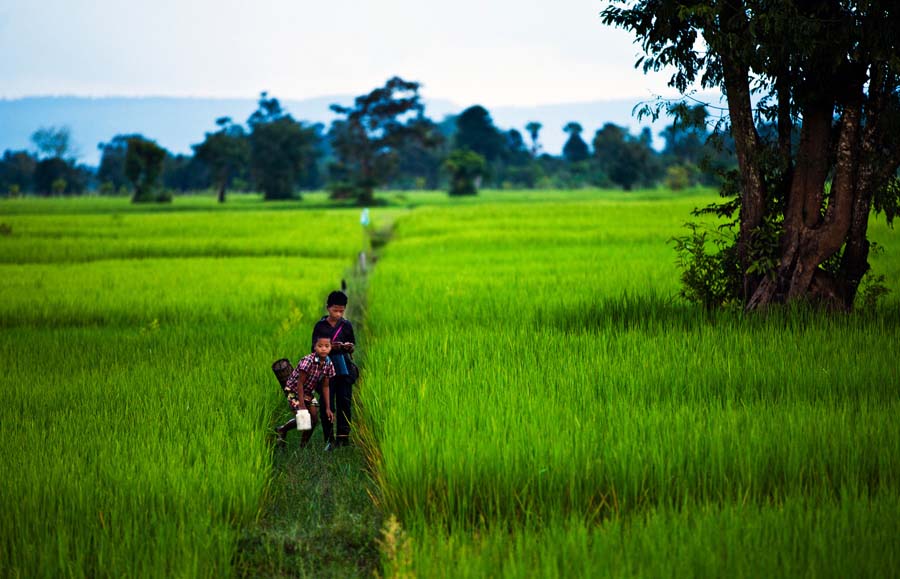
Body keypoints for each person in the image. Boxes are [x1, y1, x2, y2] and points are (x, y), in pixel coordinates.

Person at [312, 290, 356, 450]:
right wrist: (330, 347)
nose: (338, 314)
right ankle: (329, 438)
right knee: (327, 404)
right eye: (335, 310)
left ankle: (343, 438)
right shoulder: (320, 326)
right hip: (325, 373)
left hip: (344, 370)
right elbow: (313, 349)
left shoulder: (346, 326)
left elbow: (352, 345)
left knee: (345, 402)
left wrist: (349, 347)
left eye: (341, 311)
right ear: (328, 308)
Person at [275, 333, 336, 447]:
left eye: (327, 346)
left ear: (331, 347)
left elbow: (326, 386)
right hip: (294, 390)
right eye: (320, 346)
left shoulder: (328, 364)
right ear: (315, 347)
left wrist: (328, 408)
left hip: (308, 391)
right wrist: (302, 405)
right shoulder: (308, 361)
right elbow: (300, 383)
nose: (323, 349)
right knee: (304, 417)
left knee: (314, 420)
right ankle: (282, 429)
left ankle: (302, 446)